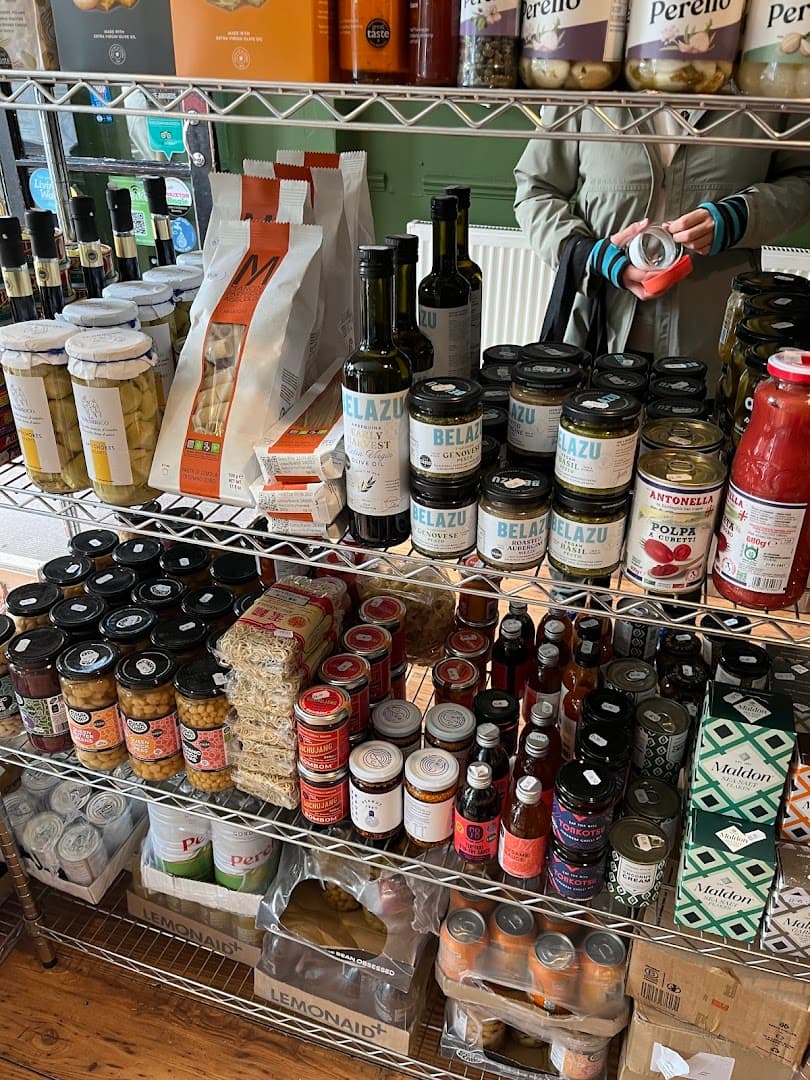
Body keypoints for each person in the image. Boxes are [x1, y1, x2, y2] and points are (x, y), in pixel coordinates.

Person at [514, 109, 810, 378]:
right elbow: (536, 190)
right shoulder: (591, 84)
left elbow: (803, 181)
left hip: (709, 341)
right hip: (596, 331)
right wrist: (593, 256)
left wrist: (740, 216)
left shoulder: (767, 87)